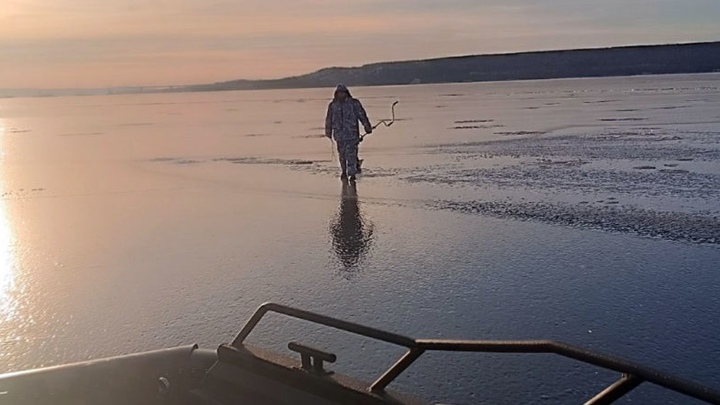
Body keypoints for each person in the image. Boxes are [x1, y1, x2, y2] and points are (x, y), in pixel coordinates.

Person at [325, 84, 372, 181]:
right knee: (342, 155)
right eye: (339, 93)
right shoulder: (333, 105)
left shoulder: (354, 103)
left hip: (352, 135)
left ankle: (352, 174)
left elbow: (362, 115)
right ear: (336, 94)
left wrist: (367, 126)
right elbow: (329, 119)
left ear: (346, 93)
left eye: (342, 92)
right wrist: (328, 131)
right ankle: (344, 172)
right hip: (339, 136)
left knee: (351, 155)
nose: (341, 95)